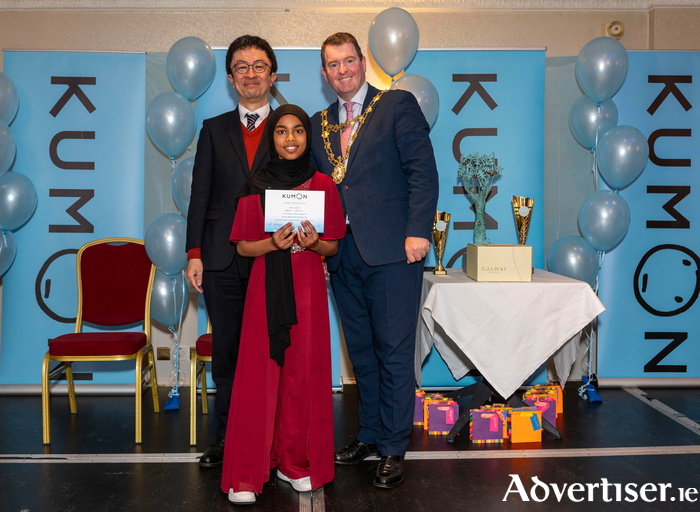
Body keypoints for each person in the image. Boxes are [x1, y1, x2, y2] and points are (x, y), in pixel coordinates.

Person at [309, 32, 439, 489]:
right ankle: (367, 435)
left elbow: (422, 171)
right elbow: (316, 189)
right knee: (360, 352)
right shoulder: (318, 123)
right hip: (342, 255)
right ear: (324, 73)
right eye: (332, 64)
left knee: (394, 351)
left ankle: (393, 447)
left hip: (393, 251)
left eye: (349, 61)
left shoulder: (396, 106)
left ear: (363, 63)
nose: (342, 70)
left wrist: (417, 231)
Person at [221, 104, 345, 505]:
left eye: (298, 131)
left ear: (307, 138)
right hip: (265, 288)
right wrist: (272, 243)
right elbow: (242, 245)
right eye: (281, 131)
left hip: (308, 286)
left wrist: (315, 244)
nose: (290, 138)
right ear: (271, 138)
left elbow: (332, 244)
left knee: (302, 377)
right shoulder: (255, 184)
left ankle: (297, 464)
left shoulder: (323, 184)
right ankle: (246, 472)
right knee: (260, 375)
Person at [185, 35, 277, 468]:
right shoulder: (213, 128)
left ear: (272, 75)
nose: (251, 74)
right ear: (230, 78)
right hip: (220, 259)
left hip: (275, 256)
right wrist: (194, 253)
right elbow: (199, 195)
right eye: (242, 66)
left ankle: (273, 441)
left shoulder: (292, 126)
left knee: (273, 352)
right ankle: (225, 440)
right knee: (227, 356)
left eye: (259, 66)